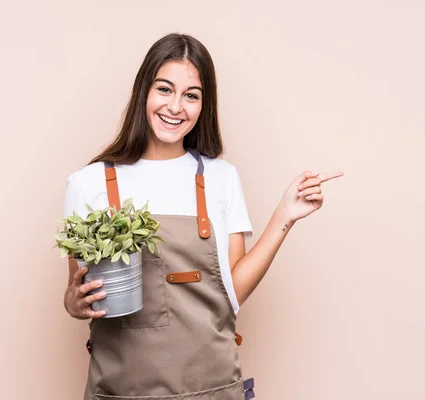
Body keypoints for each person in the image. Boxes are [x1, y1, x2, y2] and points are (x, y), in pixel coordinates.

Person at [62, 33, 343, 400]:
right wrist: (74, 301)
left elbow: (233, 290)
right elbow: (75, 297)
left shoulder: (220, 178)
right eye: (164, 89)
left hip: (212, 388)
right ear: (143, 92)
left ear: (203, 106)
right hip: (121, 391)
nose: (175, 106)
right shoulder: (88, 183)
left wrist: (284, 216)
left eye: (191, 95)